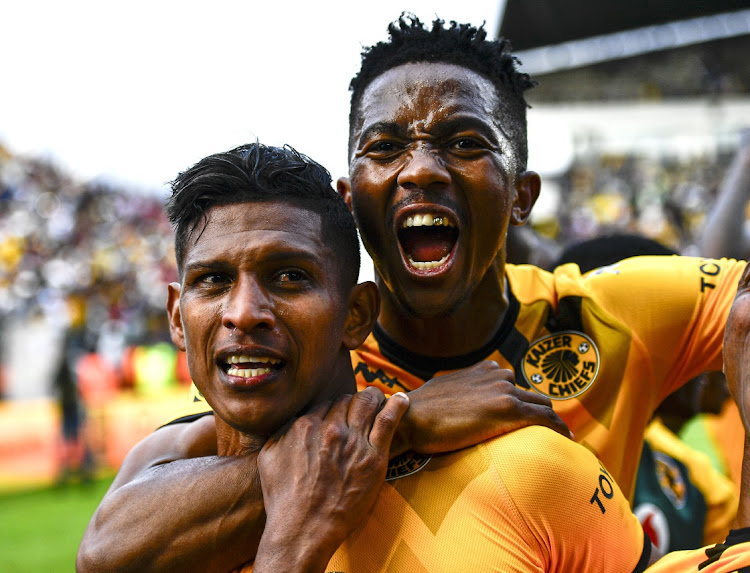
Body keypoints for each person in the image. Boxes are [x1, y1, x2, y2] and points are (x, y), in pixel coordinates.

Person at [78, 14, 747, 571]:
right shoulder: (308, 352)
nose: (421, 169)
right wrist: (403, 419)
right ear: (351, 197)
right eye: (386, 146)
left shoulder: (609, 313)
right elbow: (112, 544)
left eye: (463, 142)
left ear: (520, 196)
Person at [162, 141, 653, 572]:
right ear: (178, 319)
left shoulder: (530, 471)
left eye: (290, 276)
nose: (244, 313)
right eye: (213, 280)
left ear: (357, 315)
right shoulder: (151, 526)